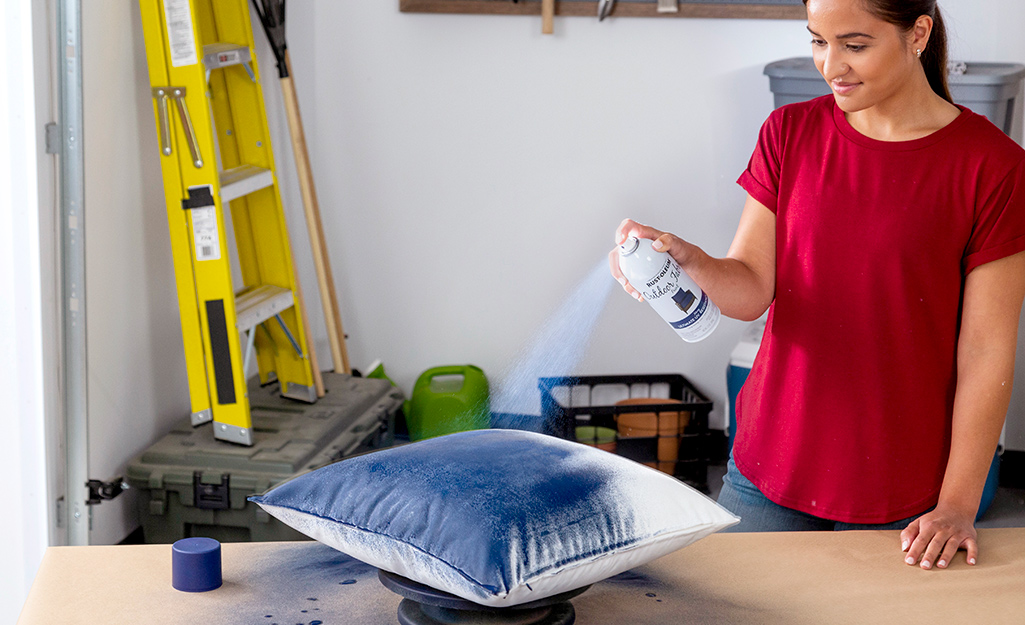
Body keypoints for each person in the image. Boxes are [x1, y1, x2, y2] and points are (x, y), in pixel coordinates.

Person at [610, 0, 1025, 571]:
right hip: (768, 467)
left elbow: (986, 351)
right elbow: (752, 288)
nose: (832, 66)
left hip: (904, 495)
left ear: (918, 34)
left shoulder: (993, 167)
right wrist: (689, 261)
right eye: (817, 42)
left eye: (855, 46)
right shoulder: (789, 132)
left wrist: (957, 503)